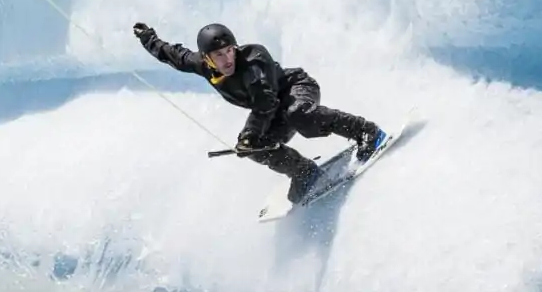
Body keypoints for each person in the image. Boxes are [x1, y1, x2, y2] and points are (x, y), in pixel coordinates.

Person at [132, 21, 385, 202]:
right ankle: (304, 172)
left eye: (230, 50)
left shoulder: (254, 59)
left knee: (299, 114)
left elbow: (265, 101)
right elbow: (174, 55)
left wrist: (249, 132)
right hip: (273, 111)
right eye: (219, 55)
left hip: (295, 89)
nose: (227, 59)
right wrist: (148, 38)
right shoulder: (202, 65)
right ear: (207, 58)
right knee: (255, 148)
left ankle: (367, 132)